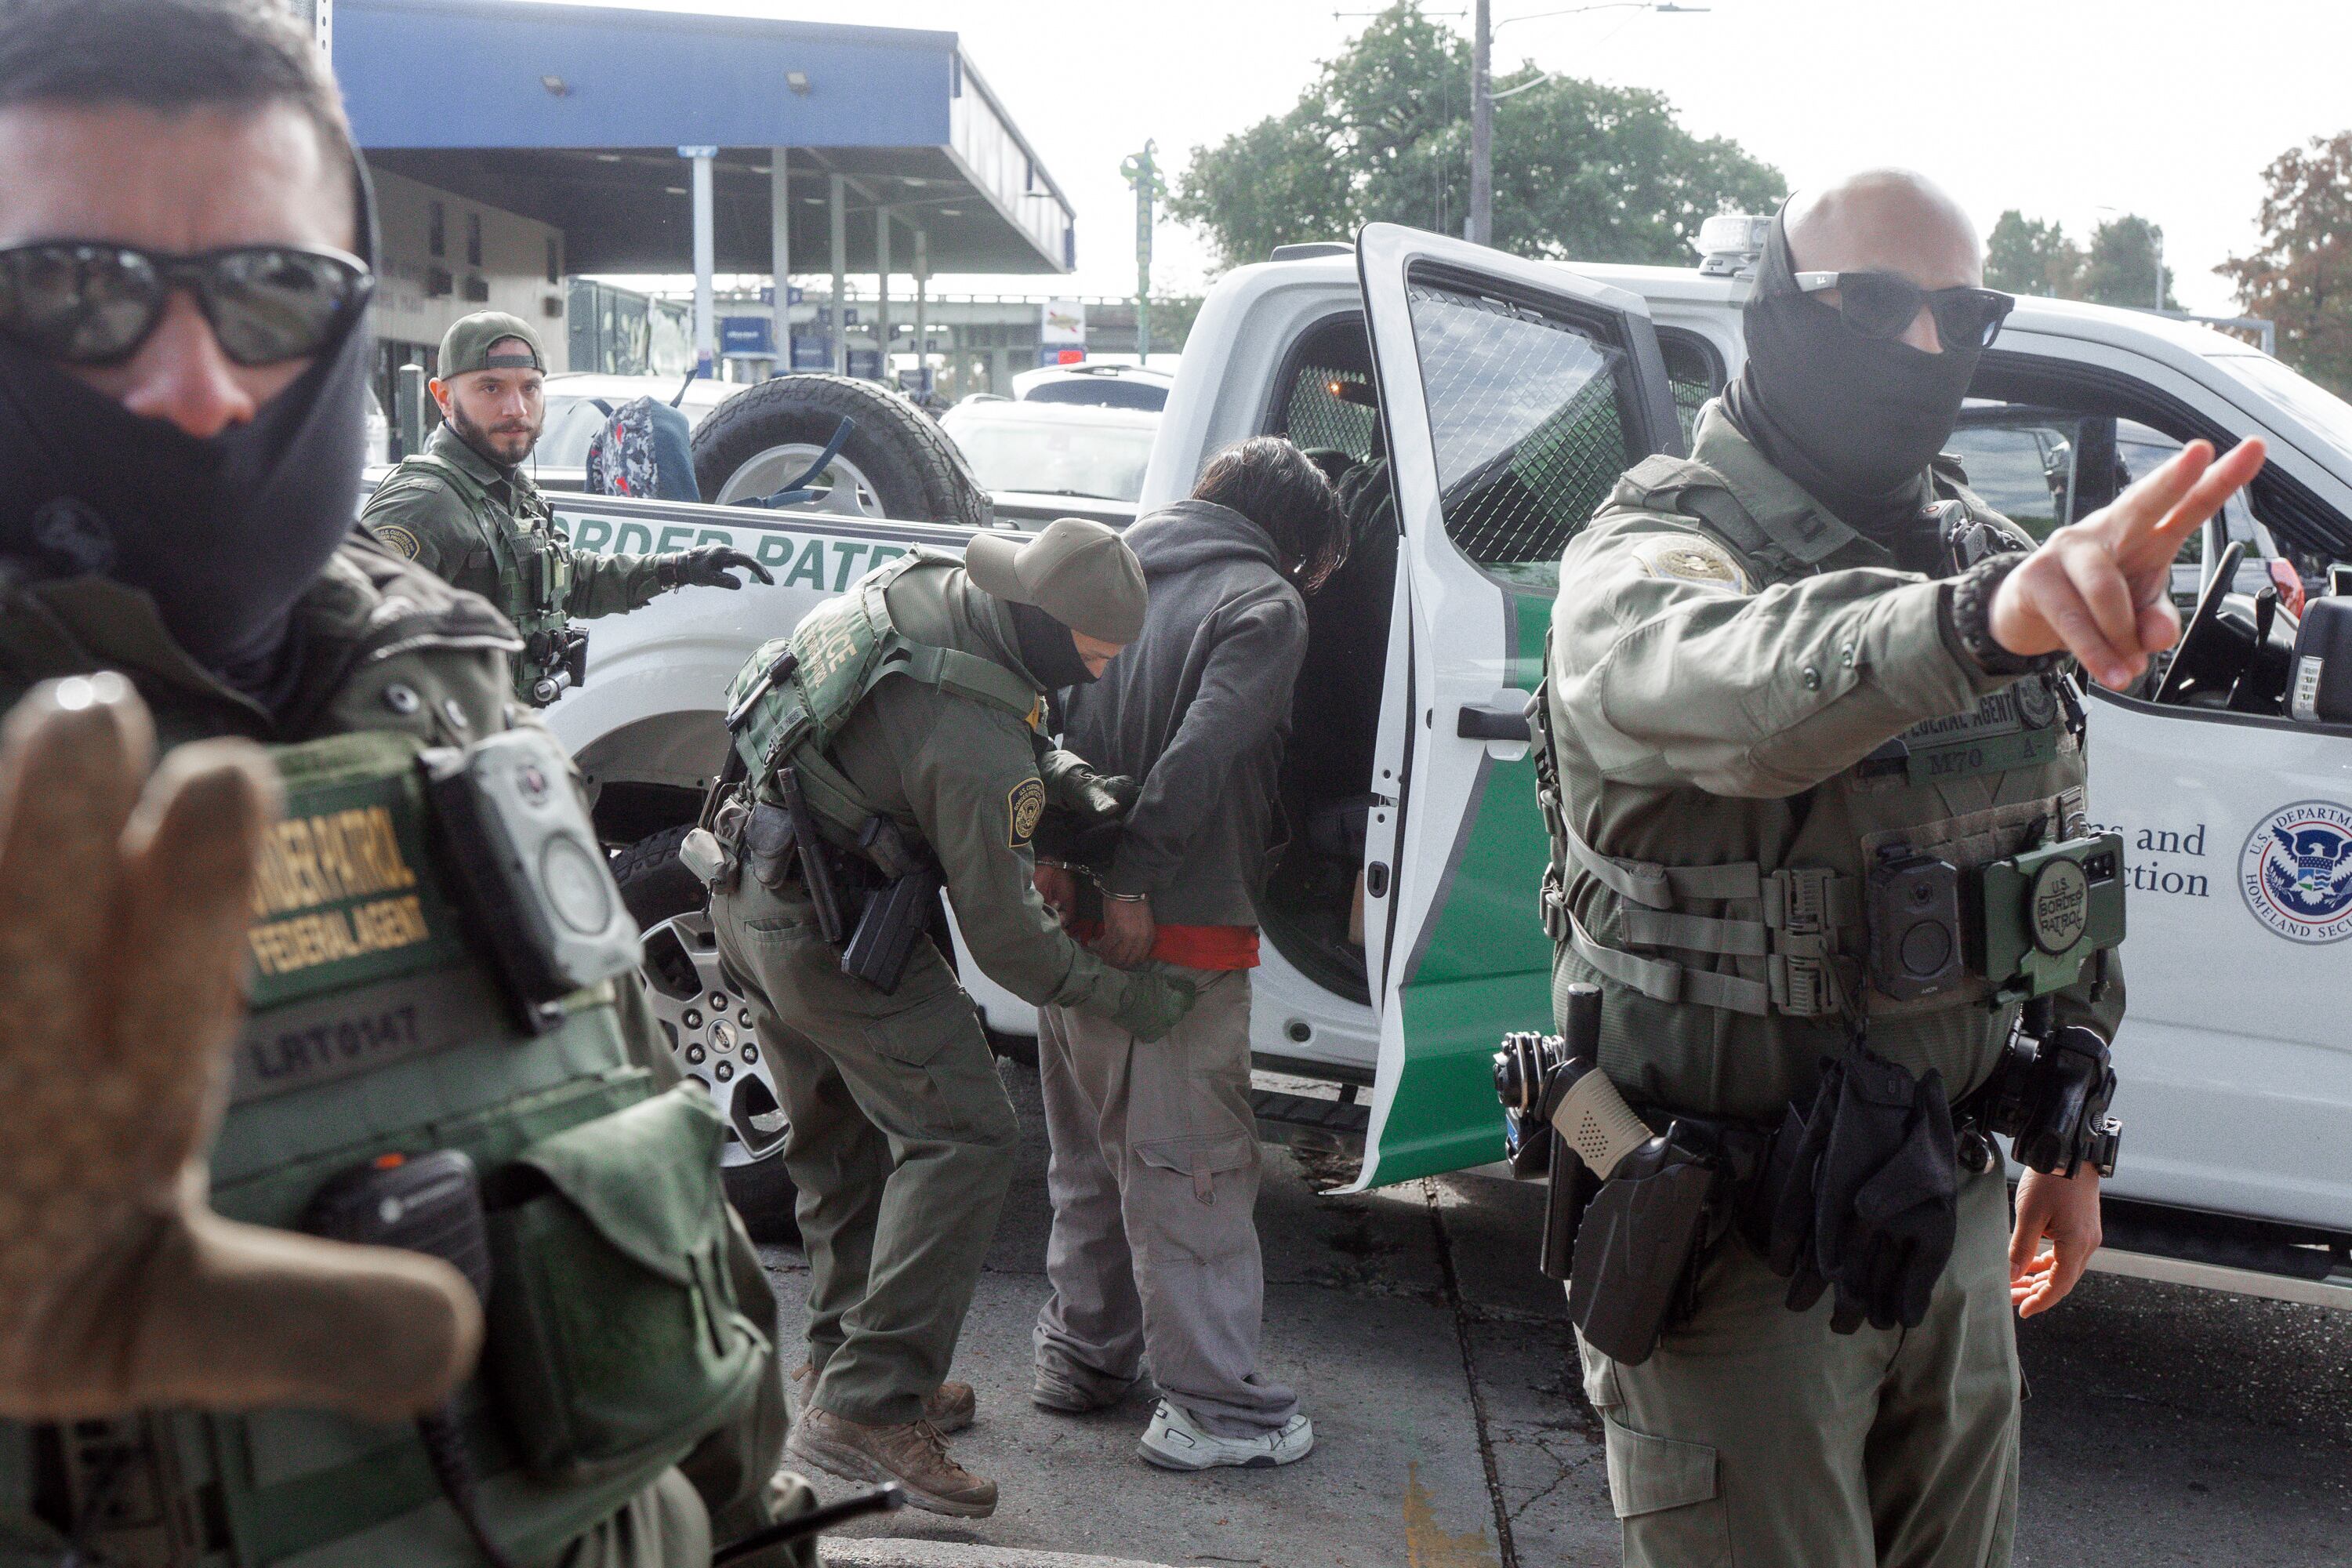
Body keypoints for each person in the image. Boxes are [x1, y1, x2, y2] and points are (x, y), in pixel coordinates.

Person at [0, 2, 812, 1560]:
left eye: (271, 288)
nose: (200, 384)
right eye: (74, 287)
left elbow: (649, 1180)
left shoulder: (440, 673)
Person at [1537, 169, 2263, 1566]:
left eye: (1961, 313)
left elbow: (2047, 866)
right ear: (1772, 310)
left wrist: (2072, 1135)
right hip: (1731, 1255)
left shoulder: (1983, 551)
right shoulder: (1650, 551)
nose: (1923, 346)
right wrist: (1974, 621)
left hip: (1947, 1212)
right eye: (1872, 304)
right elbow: (1733, 689)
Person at [706, 518, 1197, 1518]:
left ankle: (842, 1362)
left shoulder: (932, 590)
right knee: (968, 1130)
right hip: (822, 929)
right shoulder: (974, 743)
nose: (1102, 673)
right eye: (1095, 655)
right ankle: (868, 1405)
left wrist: (1069, 783)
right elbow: (1010, 942)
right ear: (1048, 626)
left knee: (839, 1134)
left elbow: (951, 719)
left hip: (743, 888)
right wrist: (1131, 997)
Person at [1028, 437, 1347, 1472]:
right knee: (1190, 1169)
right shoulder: (1265, 605)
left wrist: (1073, 877)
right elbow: (1202, 756)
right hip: (1173, 933)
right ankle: (1216, 1411)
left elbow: (1040, 737)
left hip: (1068, 920)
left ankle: (1084, 1354)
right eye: (1328, 573)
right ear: (1300, 549)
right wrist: (1138, 881)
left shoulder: (1105, 576)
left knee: (1087, 1156)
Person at [361, 310, 771, 706]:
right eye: (491, 388)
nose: (516, 409)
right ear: (444, 397)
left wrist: (674, 569)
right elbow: (350, 654)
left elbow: (572, 583)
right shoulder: (423, 505)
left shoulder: (512, 492)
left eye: (529, 388)